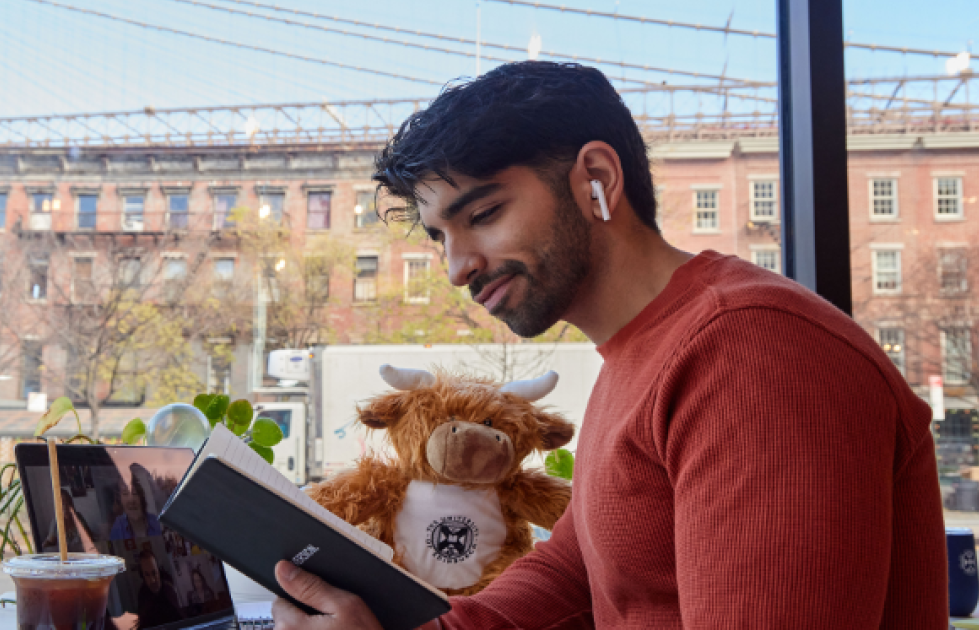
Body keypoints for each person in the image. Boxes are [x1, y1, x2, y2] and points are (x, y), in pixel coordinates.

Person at [270, 61, 948, 629]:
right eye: (439, 237)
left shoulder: (750, 350)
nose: (457, 267)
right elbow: (574, 570)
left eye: (482, 215)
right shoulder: (640, 355)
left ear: (597, 177)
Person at [133, 550, 183, 629]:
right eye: (147, 575)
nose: (152, 580)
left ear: (159, 570)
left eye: (154, 573)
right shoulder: (142, 595)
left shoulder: (169, 588)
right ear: (142, 576)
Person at [109, 474, 161, 540]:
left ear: (141, 497)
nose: (131, 500)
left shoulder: (157, 523)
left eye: (135, 493)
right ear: (120, 500)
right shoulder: (117, 528)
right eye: (125, 493)